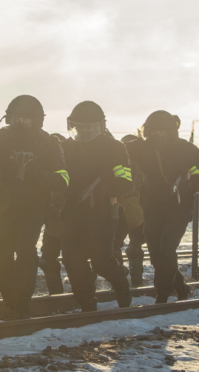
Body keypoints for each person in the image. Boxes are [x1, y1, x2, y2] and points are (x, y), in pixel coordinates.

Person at [0, 95, 69, 318]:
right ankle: (11, 298)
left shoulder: (49, 143)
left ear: (38, 121)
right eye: (15, 118)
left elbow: (63, 179)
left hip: (33, 207)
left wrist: (38, 174)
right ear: (8, 118)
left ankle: (23, 302)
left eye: (25, 119)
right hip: (0, 208)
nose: (20, 123)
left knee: (25, 250)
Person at [125, 110, 199, 304]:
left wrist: (187, 186)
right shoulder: (141, 148)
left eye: (161, 132)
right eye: (152, 131)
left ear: (170, 132)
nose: (156, 135)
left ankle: (162, 295)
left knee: (166, 251)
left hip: (178, 208)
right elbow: (119, 149)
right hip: (152, 208)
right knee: (157, 256)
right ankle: (181, 288)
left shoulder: (187, 150)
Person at [60, 102, 133, 311]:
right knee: (73, 260)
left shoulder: (115, 147)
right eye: (79, 126)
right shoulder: (65, 147)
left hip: (102, 211)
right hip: (71, 211)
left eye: (88, 127)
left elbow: (126, 179)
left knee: (101, 262)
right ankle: (86, 304)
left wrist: (108, 189)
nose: (84, 131)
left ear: (100, 126)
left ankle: (121, 283)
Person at [113, 134, 146, 288]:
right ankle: (135, 280)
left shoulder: (118, 162)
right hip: (137, 211)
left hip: (121, 208)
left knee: (114, 245)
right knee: (134, 247)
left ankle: (119, 277)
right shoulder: (141, 164)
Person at [38, 133, 67, 296]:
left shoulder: (74, 164)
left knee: (76, 262)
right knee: (47, 260)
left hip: (75, 219)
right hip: (54, 221)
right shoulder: (48, 166)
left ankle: (86, 295)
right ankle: (56, 296)